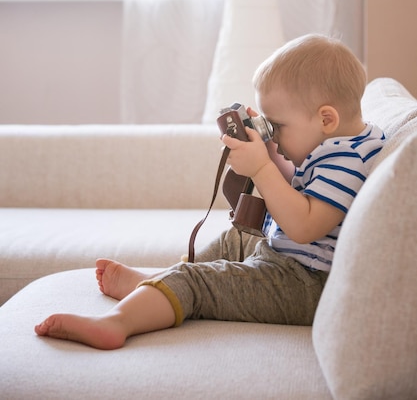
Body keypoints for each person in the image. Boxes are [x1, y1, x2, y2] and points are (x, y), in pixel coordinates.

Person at [34, 34, 385, 350]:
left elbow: (306, 226)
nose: (273, 136)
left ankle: (116, 323)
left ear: (326, 119)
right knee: (235, 240)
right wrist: (265, 154)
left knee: (199, 281)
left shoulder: (344, 161)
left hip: (304, 285)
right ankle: (159, 284)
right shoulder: (348, 143)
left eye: (277, 126)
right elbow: (302, 194)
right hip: (294, 263)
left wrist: (262, 168)